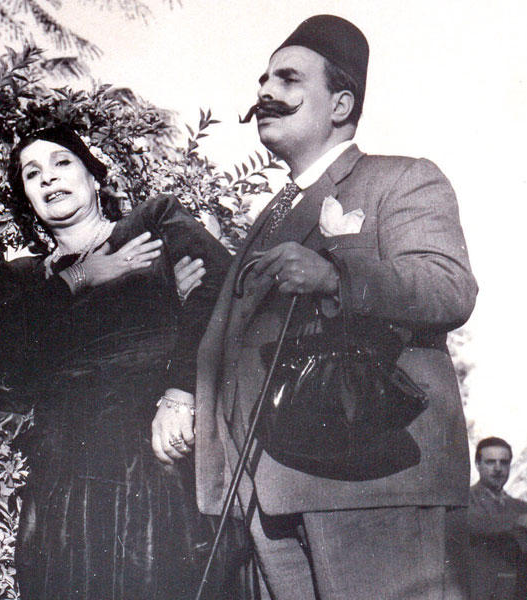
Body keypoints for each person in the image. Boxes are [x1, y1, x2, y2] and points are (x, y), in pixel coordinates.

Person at [194, 14, 478, 600]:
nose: (265, 92)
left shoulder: (402, 178)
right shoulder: (271, 214)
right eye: (263, 79)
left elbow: (449, 286)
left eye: (289, 79)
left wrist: (335, 276)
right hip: (267, 496)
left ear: (341, 104)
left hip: (369, 484)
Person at [0, 125, 248, 599]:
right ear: (26, 198)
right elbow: (6, 355)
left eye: (62, 163)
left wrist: (181, 391)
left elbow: (224, 288)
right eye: (32, 174)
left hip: (151, 453)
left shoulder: (153, 223)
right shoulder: (25, 279)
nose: (48, 178)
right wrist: (84, 276)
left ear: (94, 176)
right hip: (64, 470)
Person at [468, 437, 527, 599]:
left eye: (504, 462)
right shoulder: (467, 501)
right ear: (478, 465)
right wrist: (524, 521)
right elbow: (477, 524)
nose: (498, 468)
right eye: (490, 462)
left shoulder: (523, 507)